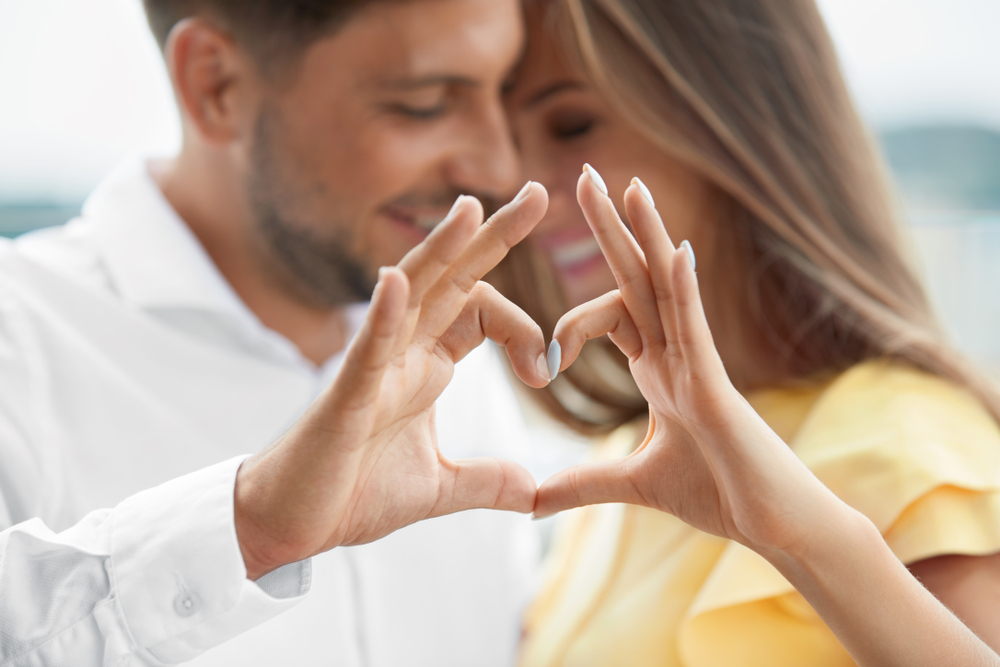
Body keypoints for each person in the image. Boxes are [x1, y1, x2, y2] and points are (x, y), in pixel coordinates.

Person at [0, 1, 551, 664]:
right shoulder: (19, 343)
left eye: (505, 93)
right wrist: (246, 532)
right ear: (216, 85)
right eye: (425, 104)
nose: (498, 165)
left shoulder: (463, 359)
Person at [495, 0, 1000, 664]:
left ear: (727, 114)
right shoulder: (623, 467)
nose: (527, 194)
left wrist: (807, 542)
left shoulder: (908, 443)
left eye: (573, 125)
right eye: (509, 147)